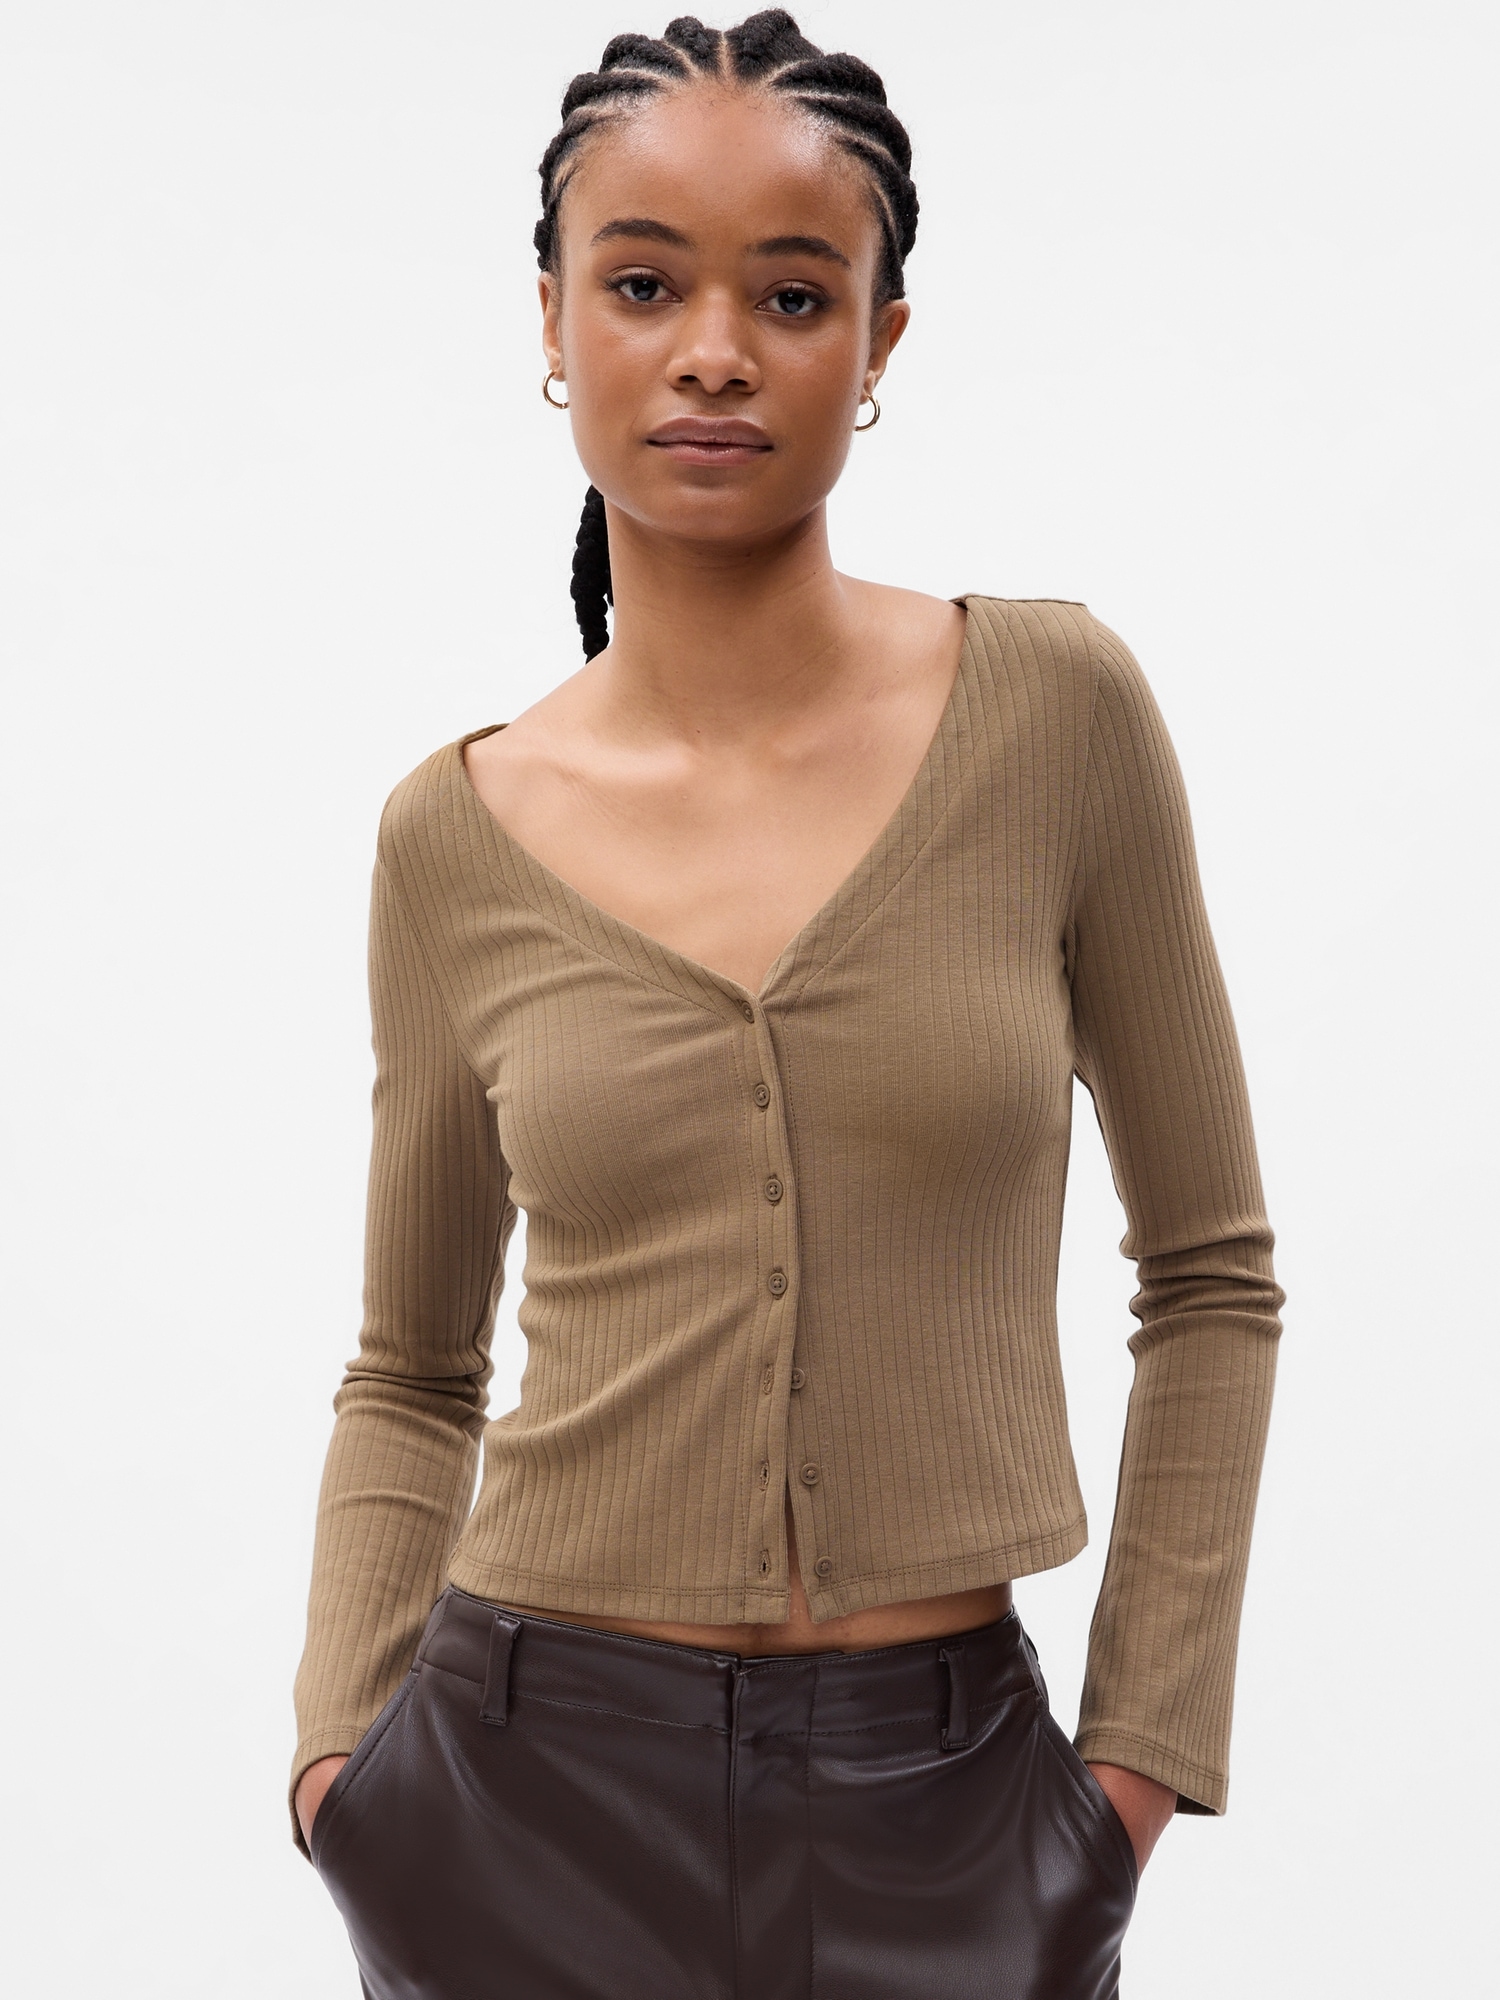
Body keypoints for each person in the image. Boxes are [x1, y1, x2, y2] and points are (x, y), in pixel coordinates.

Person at [290, 13, 1283, 1997]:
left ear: (882, 342)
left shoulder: (1058, 717)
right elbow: (412, 1364)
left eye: (795, 294)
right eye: (644, 284)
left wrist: (1131, 1776)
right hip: (516, 1804)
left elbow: (1211, 1276)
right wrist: (346, 1778)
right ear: (553, 321)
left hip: (959, 1815)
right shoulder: (452, 835)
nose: (717, 351)